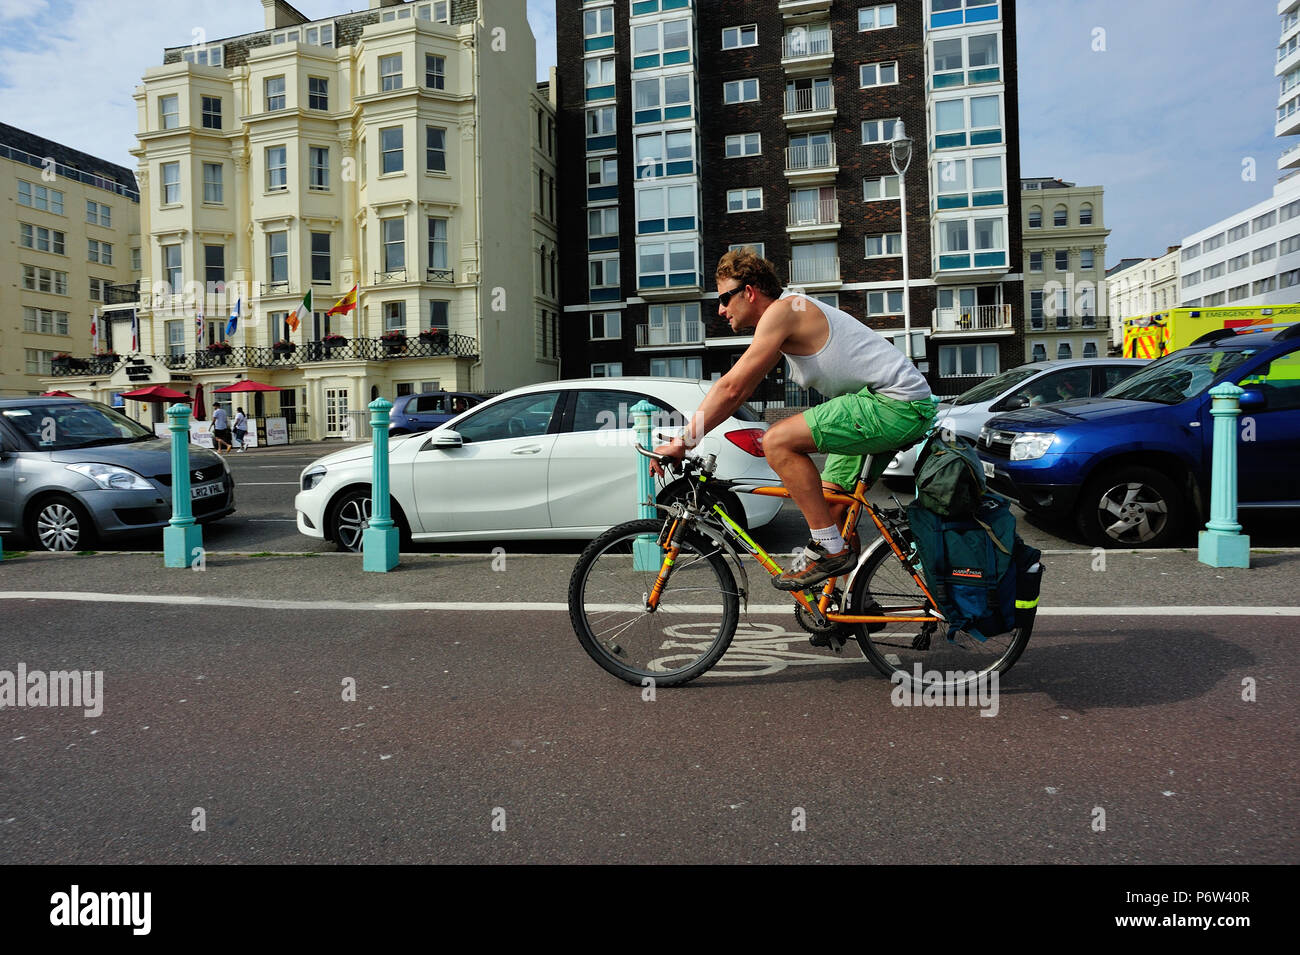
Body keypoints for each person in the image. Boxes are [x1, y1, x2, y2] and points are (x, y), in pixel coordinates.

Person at [652, 248, 935, 591]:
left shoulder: (783, 311)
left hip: (894, 404)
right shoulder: (787, 314)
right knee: (832, 504)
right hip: (886, 403)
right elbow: (743, 385)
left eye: (725, 298)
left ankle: (829, 550)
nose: (721, 309)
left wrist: (685, 440)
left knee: (777, 440)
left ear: (750, 291)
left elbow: (732, 389)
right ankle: (848, 599)